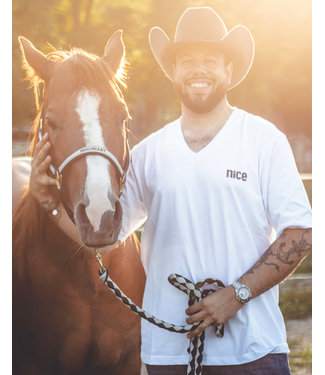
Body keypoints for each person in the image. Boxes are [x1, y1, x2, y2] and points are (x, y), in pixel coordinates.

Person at [29, 7, 312, 375]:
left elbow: (300, 233)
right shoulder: (148, 154)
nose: (198, 69)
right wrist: (50, 204)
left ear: (229, 71)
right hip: (169, 356)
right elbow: (103, 239)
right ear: (173, 72)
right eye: (187, 60)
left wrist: (235, 295)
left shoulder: (263, 141)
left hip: (252, 352)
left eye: (211, 59)